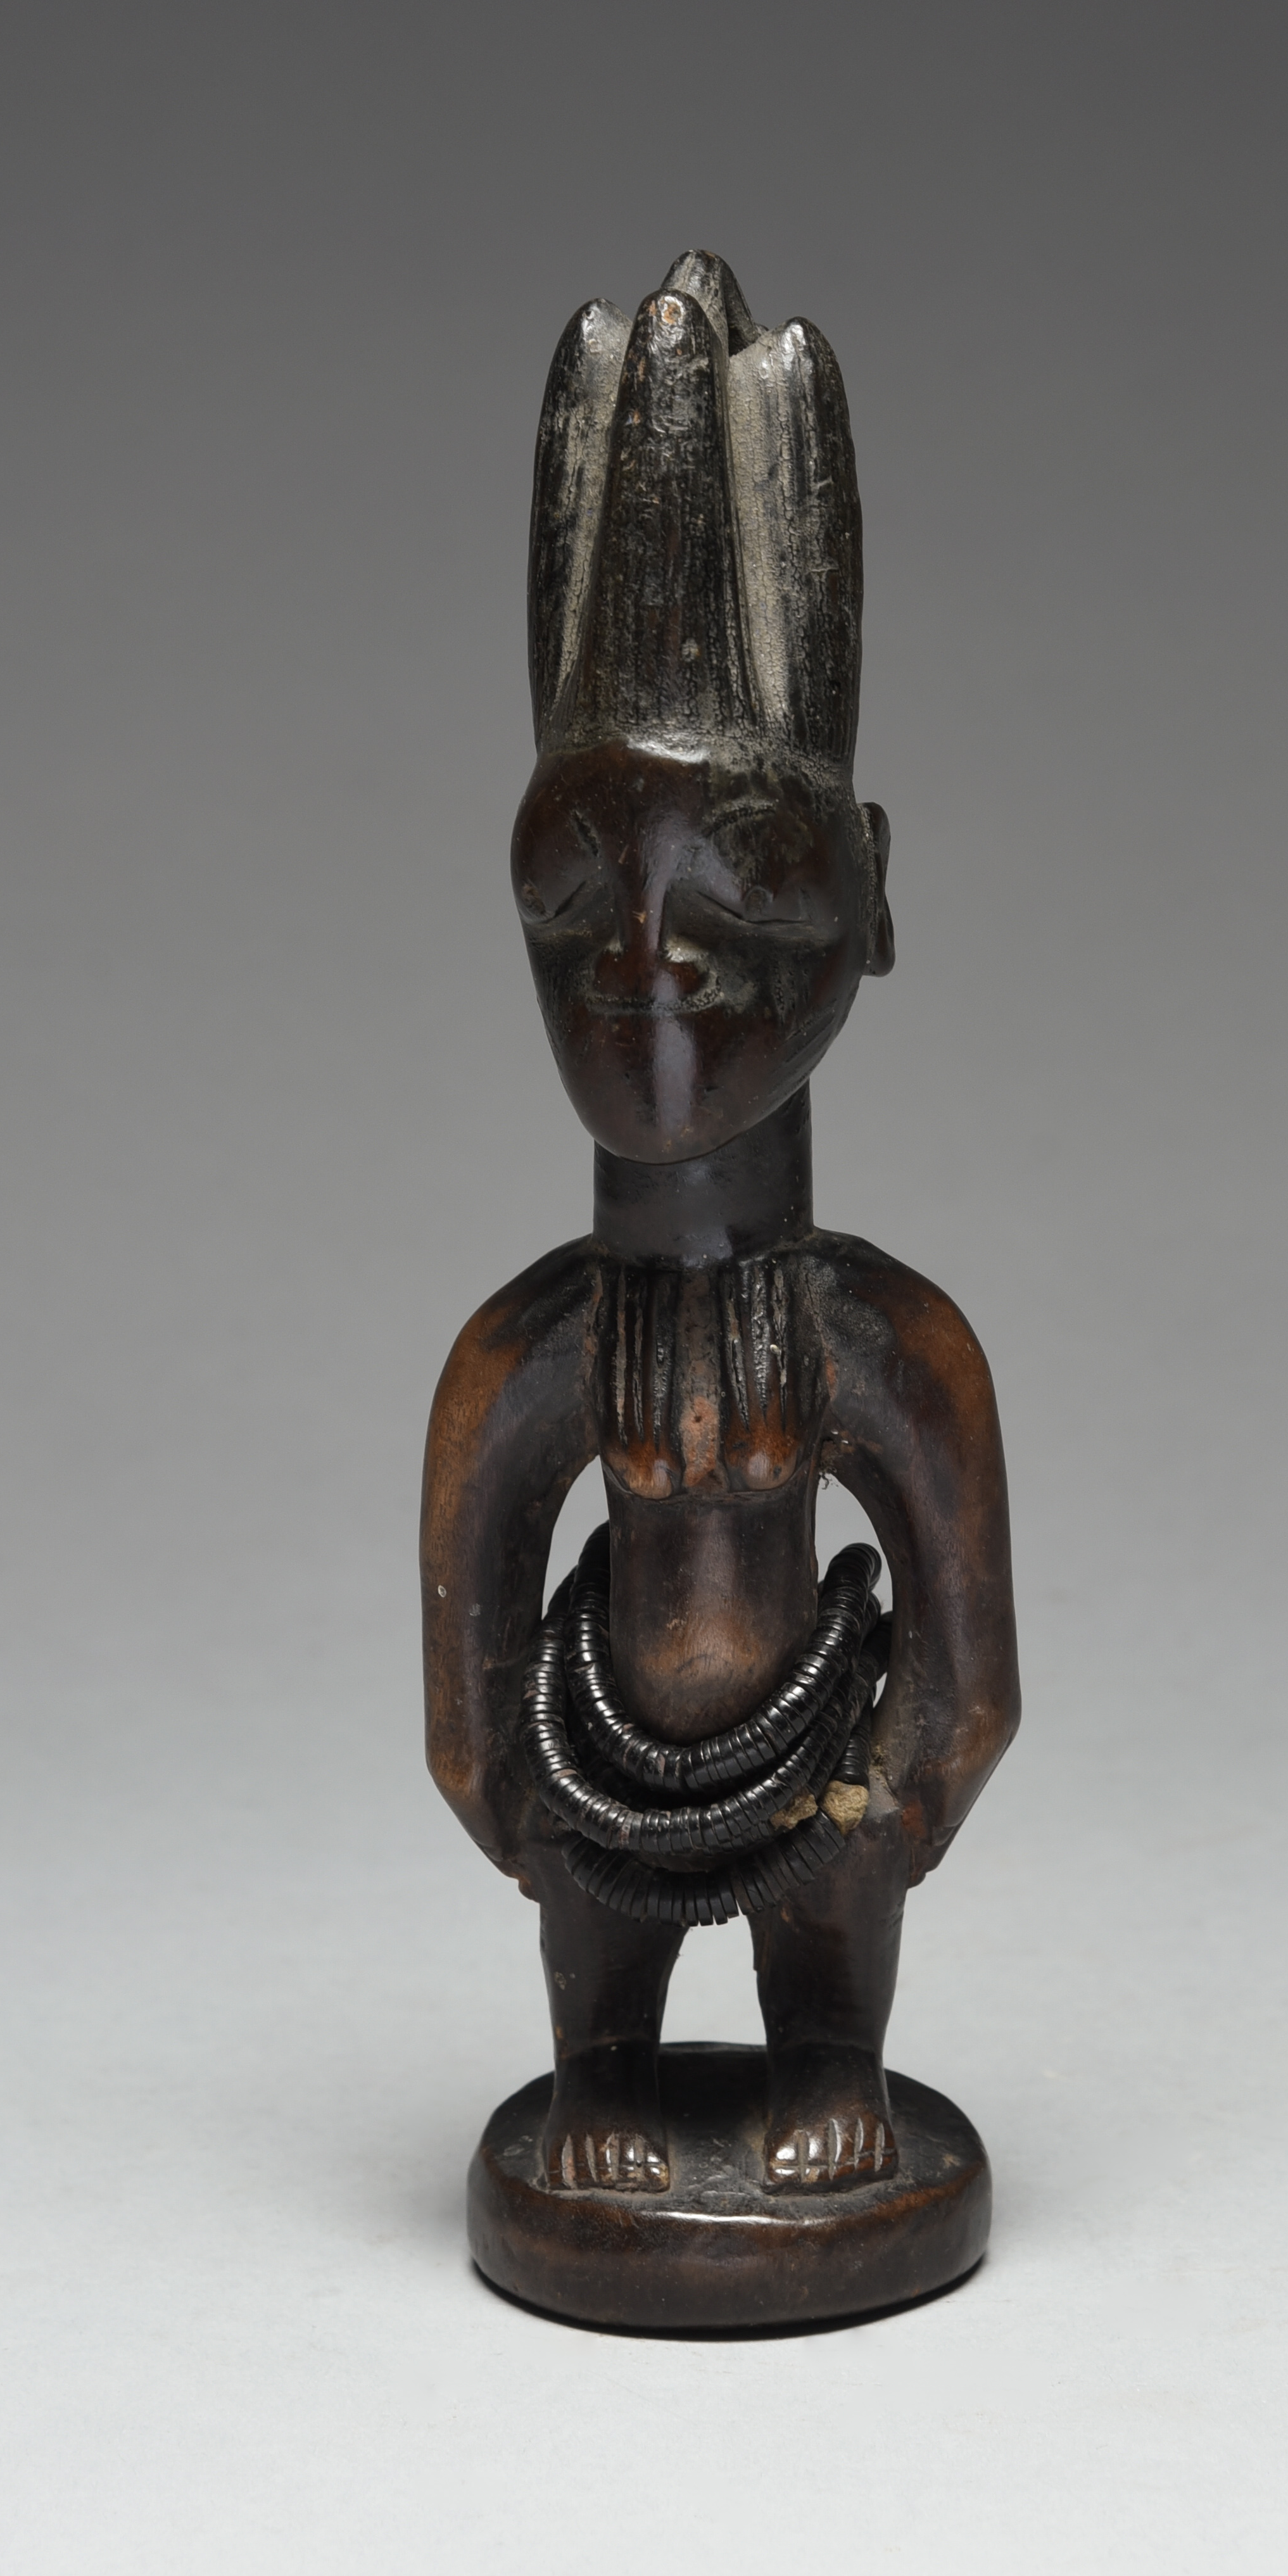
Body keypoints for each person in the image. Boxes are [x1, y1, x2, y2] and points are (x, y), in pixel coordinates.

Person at [422, 253, 1019, 2191]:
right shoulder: (530, 1350)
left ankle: (824, 2046)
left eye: (739, 888)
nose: (644, 958)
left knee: (830, 1884)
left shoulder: (881, 1344)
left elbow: (969, 1677)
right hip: (595, 1779)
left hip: (816, 1768)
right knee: (594, 1888)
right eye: (573, 893)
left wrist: (885, 1797)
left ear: (867, 901)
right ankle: (598, 2058)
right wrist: (529, 1804)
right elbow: (467, 1693)